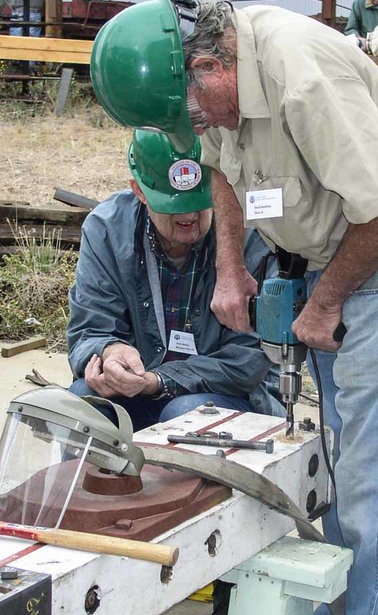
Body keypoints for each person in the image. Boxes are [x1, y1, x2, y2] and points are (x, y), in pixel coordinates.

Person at [90, 0, 378, 615]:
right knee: (342, 473)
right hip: (336, 260)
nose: (198, 127)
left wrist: (324, 304)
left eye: (196, 111)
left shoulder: (301, 72)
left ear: (211, 64)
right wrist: (232, 268)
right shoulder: (214, 85)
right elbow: (223, 169)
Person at [66, 129, 284, 433]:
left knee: (184, 416)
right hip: (138, 390)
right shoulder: (106, 230)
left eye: (200, 200)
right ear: (139, 191)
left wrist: (158, 382)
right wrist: (109, 353)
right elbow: (89, 328)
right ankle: (86, 483)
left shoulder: (253, 236)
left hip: (233, 395)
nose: (190, 215)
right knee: (82, 404)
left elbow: (249, 360)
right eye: (173, 205)